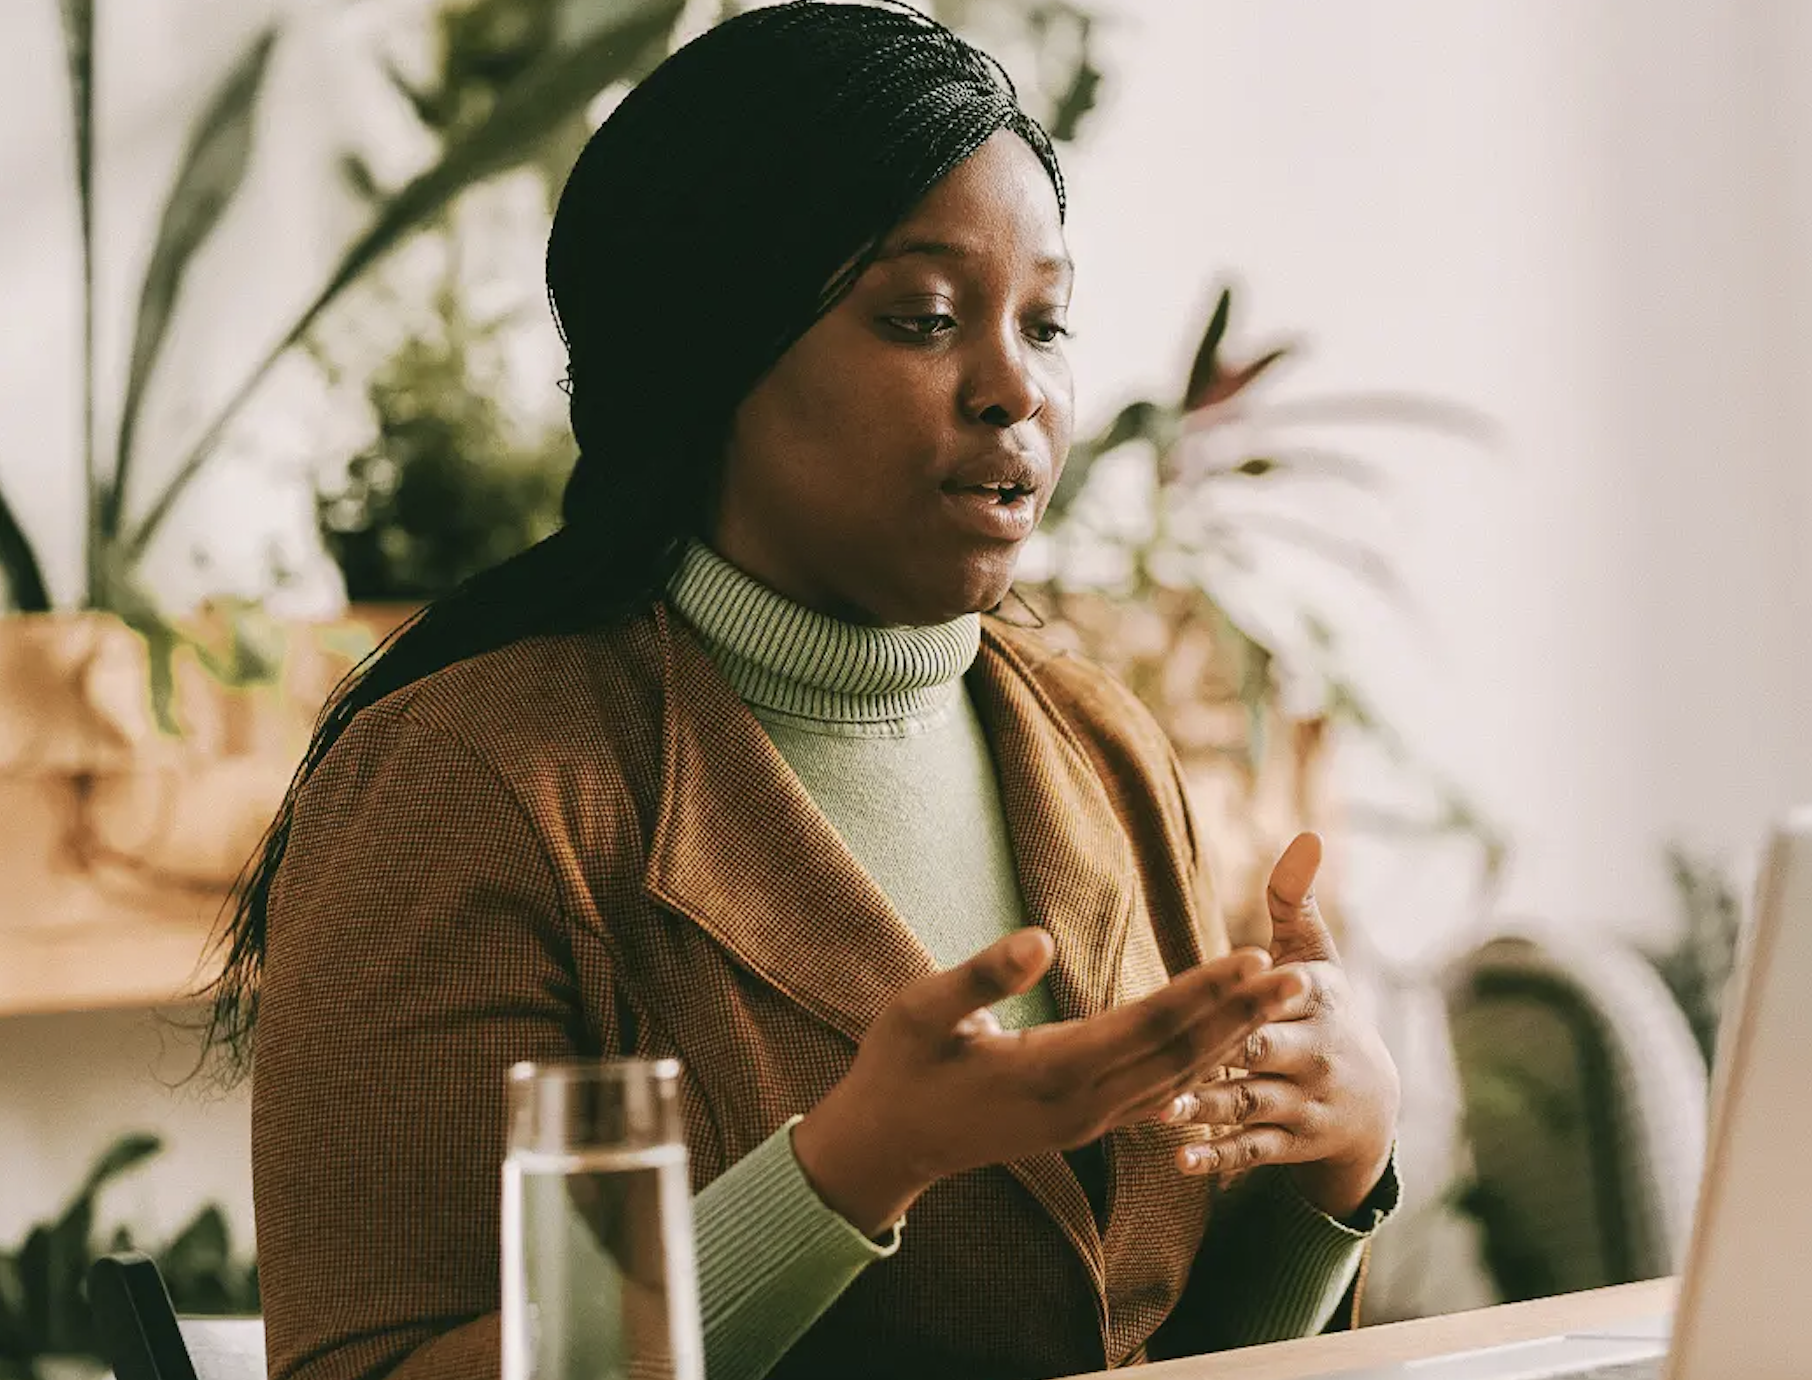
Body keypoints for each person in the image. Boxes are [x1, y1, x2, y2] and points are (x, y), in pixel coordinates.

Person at [214, 5, 1403, 1378]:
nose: (1016, 386)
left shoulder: (1098, 743)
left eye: (1049, 321)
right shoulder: (472, 779)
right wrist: (845, 1175)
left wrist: (1336, 1172)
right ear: (708, 355)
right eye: (923, 318)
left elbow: (1142, 1343)